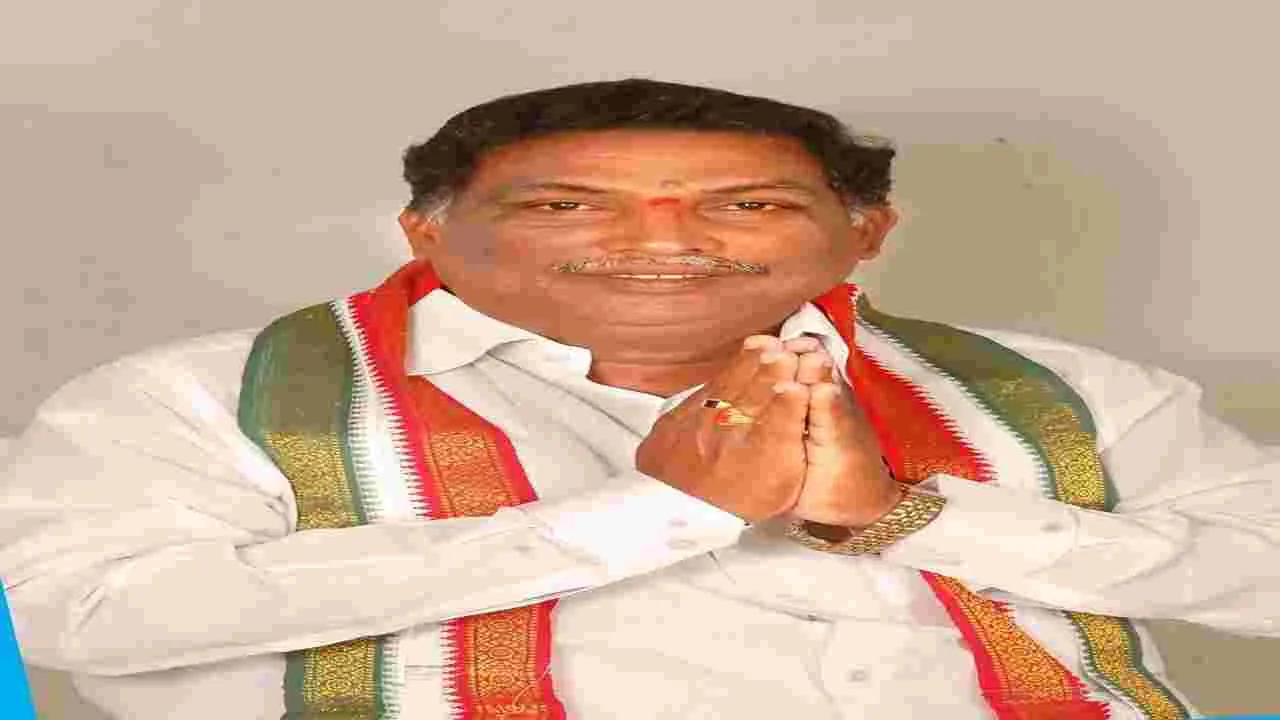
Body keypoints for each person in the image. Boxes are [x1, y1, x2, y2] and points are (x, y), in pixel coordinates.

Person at [1, 78, 1277, 720]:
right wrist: (646, 517)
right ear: (426, 233)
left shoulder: (1065, 391)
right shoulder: (196, 398)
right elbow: (76, 616)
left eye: (745, 204)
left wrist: (901, 515)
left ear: (864, 231)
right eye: (567, 205)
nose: (661, 242)